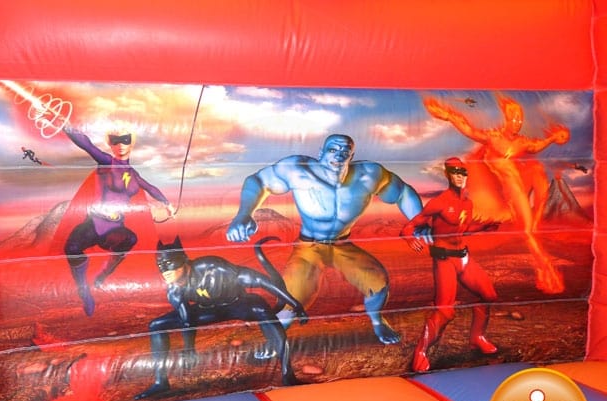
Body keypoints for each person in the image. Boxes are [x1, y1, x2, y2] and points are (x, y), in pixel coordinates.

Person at [226, 134, 426, 345]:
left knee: (379, 284)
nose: (338, 155)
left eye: (344, 151)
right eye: (332, 150)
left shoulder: (368, 175)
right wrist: (244, 214)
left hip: (342, 244)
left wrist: (419, 221)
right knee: (291, 301)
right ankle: (273, 342)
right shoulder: (299, 170)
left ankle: (377, 320)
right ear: (321, 153)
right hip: (309, 247)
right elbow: (258, 181)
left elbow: (402, 192)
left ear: (351, 156)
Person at [424, 95, 570, 294]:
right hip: (511, 190)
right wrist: (448, 115)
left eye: (520, 119)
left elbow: (536, 146)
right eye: (514, 118)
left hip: (522, 184)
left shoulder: (521, 141)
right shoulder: (494, 138)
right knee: (528, 232)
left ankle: (545, 269)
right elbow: (469, 129)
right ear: (507, 119)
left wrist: (554, 137)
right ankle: (548, 275)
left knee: (537, 173)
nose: (517, 122)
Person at [134, 236, 307, 400]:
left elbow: (259, 280)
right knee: (156, 325)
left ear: (184, 259)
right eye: (160, 265)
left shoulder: (213, 267)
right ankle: (161, 382)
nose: (165, 271)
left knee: (263, 311)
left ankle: (287, 374)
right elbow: (187, 320)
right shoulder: (174, 290)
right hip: (208, 310)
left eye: (169, 263)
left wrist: (296, 304)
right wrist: (189, 348)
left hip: (239, 303)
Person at [400, 157, 499, 372]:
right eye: (455, 172)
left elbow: (462, 229)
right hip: (445, 260)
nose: (460, 177)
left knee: (488, 295)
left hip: (463, 257)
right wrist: (409, 238)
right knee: (445, 312)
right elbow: (409, 227)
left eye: (463, 173)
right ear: (448, 175)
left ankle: (477, 337)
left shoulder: (467, 203)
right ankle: (420, 352)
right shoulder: (440, 202)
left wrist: (484, 227)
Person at [63, 126, 173, 316]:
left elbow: (150, 188)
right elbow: (87, 145)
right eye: (115, 140)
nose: (120, 145)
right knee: (72, 248)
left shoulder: (133, 174)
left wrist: (166, 203)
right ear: (110, 144)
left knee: (130, 238)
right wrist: (65, 126)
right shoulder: (107, 162)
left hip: (114, 230)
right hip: (95, 225)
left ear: (132, 143)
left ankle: (103, 275)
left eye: (125, 140)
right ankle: (84, 290)